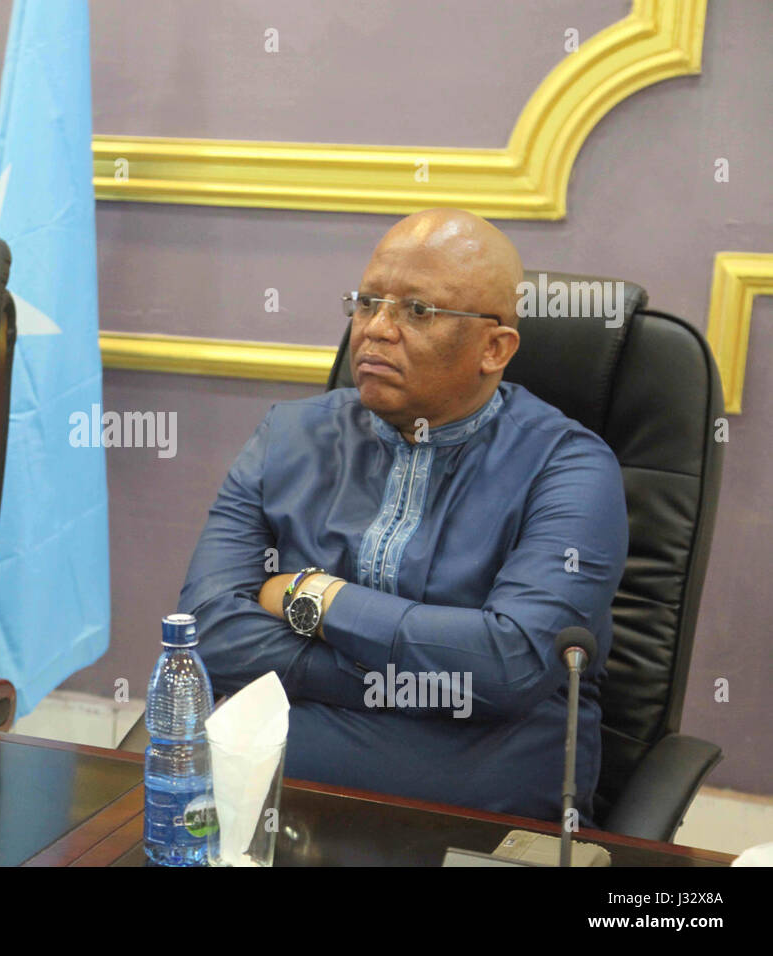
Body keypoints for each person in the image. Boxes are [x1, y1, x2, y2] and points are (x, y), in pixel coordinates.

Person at [179, 208, 628, 823]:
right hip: (267, 805)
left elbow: (507, 664)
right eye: (367, 303)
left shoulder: (571, 469)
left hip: (474, 814)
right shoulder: (288, 436)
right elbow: (206, 628)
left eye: (417, 311)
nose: (376, 330)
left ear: (494, 348)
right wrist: (416, 680)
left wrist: (315, 597)